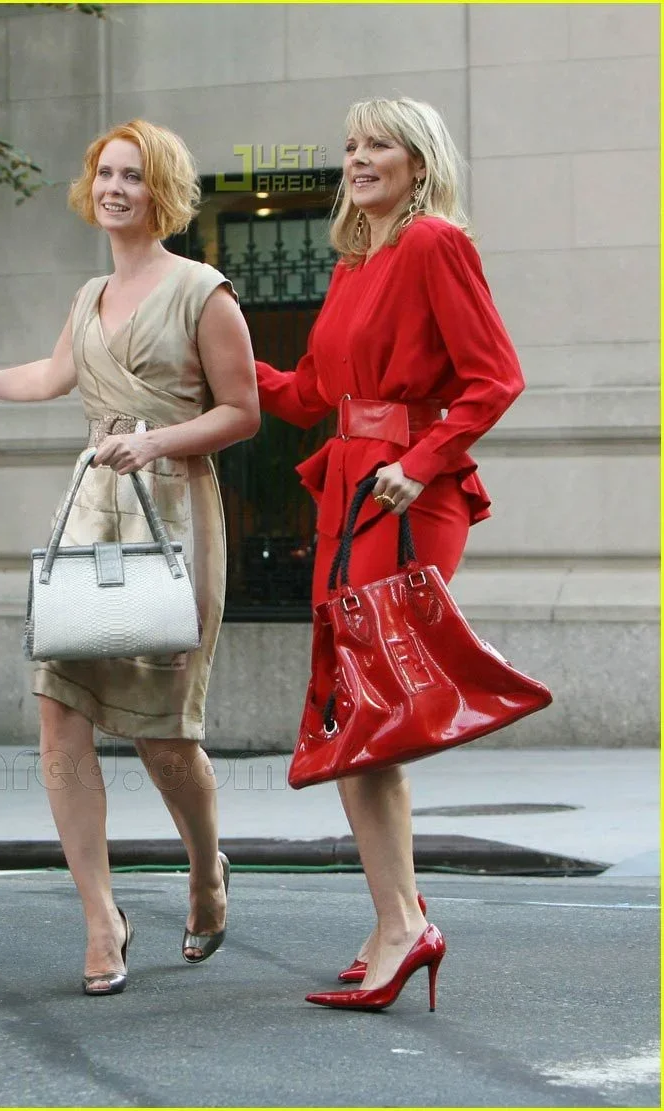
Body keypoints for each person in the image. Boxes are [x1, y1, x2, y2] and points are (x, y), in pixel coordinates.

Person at [0, 120, 262, 995]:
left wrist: (156, 439)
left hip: (173, 514)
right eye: (105, 173)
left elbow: (243, 411)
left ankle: (205, 869)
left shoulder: (203, 291)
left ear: (159, 189)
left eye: (132, 175)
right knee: (58, 709)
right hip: (92, 513)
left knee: (166, 735)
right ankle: (101, 917)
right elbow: (53, 375)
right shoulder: (89, 292)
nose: (114, 188)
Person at [255, 97, 525, 1011]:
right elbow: (310, 394)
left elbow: (496, 377)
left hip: (408, 494)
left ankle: (403, 923)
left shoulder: (434, 243)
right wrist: (218, 356)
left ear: (419, 162)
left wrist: (421, 461)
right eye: (350, 146)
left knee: (369, 711)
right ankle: (395, 914)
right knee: (353, 709)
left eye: (379, 144)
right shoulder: (354, 262)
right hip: (351, 489)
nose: (359, 158)